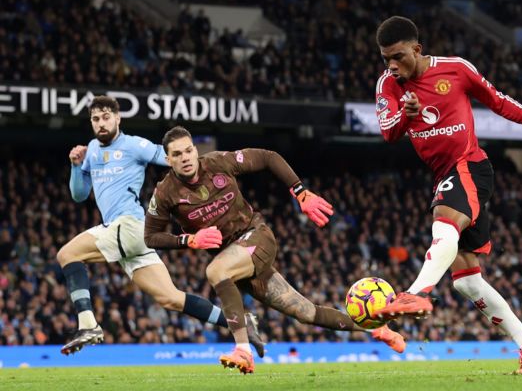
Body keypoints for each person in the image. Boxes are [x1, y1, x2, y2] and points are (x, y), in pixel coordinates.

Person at [371, 16, 522, 374]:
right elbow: (387, 133)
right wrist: (405, 114)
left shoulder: (456, 70)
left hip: (469, 166)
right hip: (442, 175)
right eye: (386, 59)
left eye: (399, 56)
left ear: (417, 49)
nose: (392, 66)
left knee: (443, 224)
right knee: (468, 281)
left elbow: (497, 100)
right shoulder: (388, 84)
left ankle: (416, 293)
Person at [144, 126, 406, 374]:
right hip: (237, 261)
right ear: (168, 159)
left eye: (189, 150)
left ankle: (242, 350)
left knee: (216, 270)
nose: (185, 157)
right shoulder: (165, 193)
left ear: (195, 150)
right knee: (304, 312)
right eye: (177, 154)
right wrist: (188, 241)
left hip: (256, 236)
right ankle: (376, 329)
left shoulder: (219, 162)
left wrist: (301, 193)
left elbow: (269, 157)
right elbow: (151, 237)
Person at [58, 96, 264, 356]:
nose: (101, 123)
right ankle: (240, 322)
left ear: (118, 119)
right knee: (171, 298)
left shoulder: (134, 145)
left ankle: (88, 324)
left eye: (106, 117)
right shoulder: (92, 150)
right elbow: (79, 194)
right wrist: (77, 167)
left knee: (67, 254)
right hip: (128, 234)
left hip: (128, 224)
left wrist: (197, 174)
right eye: (96, 119)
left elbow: (168, 157)